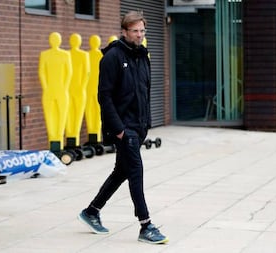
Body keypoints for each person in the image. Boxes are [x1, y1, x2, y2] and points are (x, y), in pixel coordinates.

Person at [78, 11, 168, 244]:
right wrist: (118, 129)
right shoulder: (112, 57)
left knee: (122, 172)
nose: (139, 35)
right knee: (136, 172)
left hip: (138, 127)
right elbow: (104, 96)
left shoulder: (142, 55)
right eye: (135, 31)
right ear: (124, 32)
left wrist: (145, 124)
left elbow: (144, 92)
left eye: (142, 31)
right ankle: (145, 225)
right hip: (123, 128)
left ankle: (92, 211)